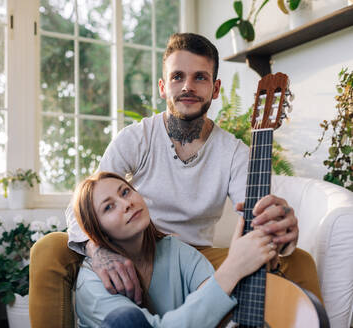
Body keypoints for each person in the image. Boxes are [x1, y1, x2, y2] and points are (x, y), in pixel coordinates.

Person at [29, 33, 322, 327]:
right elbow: (85, 204)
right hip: (136, 242)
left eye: (200, 78)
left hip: (196, 253)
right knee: (49, 249)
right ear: (162, 86)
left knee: (298, 260)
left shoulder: (233, 152)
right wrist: (97, 248)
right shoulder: (136, 137)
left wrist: (280, 231)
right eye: (177, 76)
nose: (187, 87)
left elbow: (255, 216)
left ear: (216, 88)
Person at [73, 171, 277, 328]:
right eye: (109, 207)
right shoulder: (92, 282)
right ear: (97, 229)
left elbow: (219, 305)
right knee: (127, 319)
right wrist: (232, 268)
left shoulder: (176, 251)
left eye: (125, 192)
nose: (126, 203)